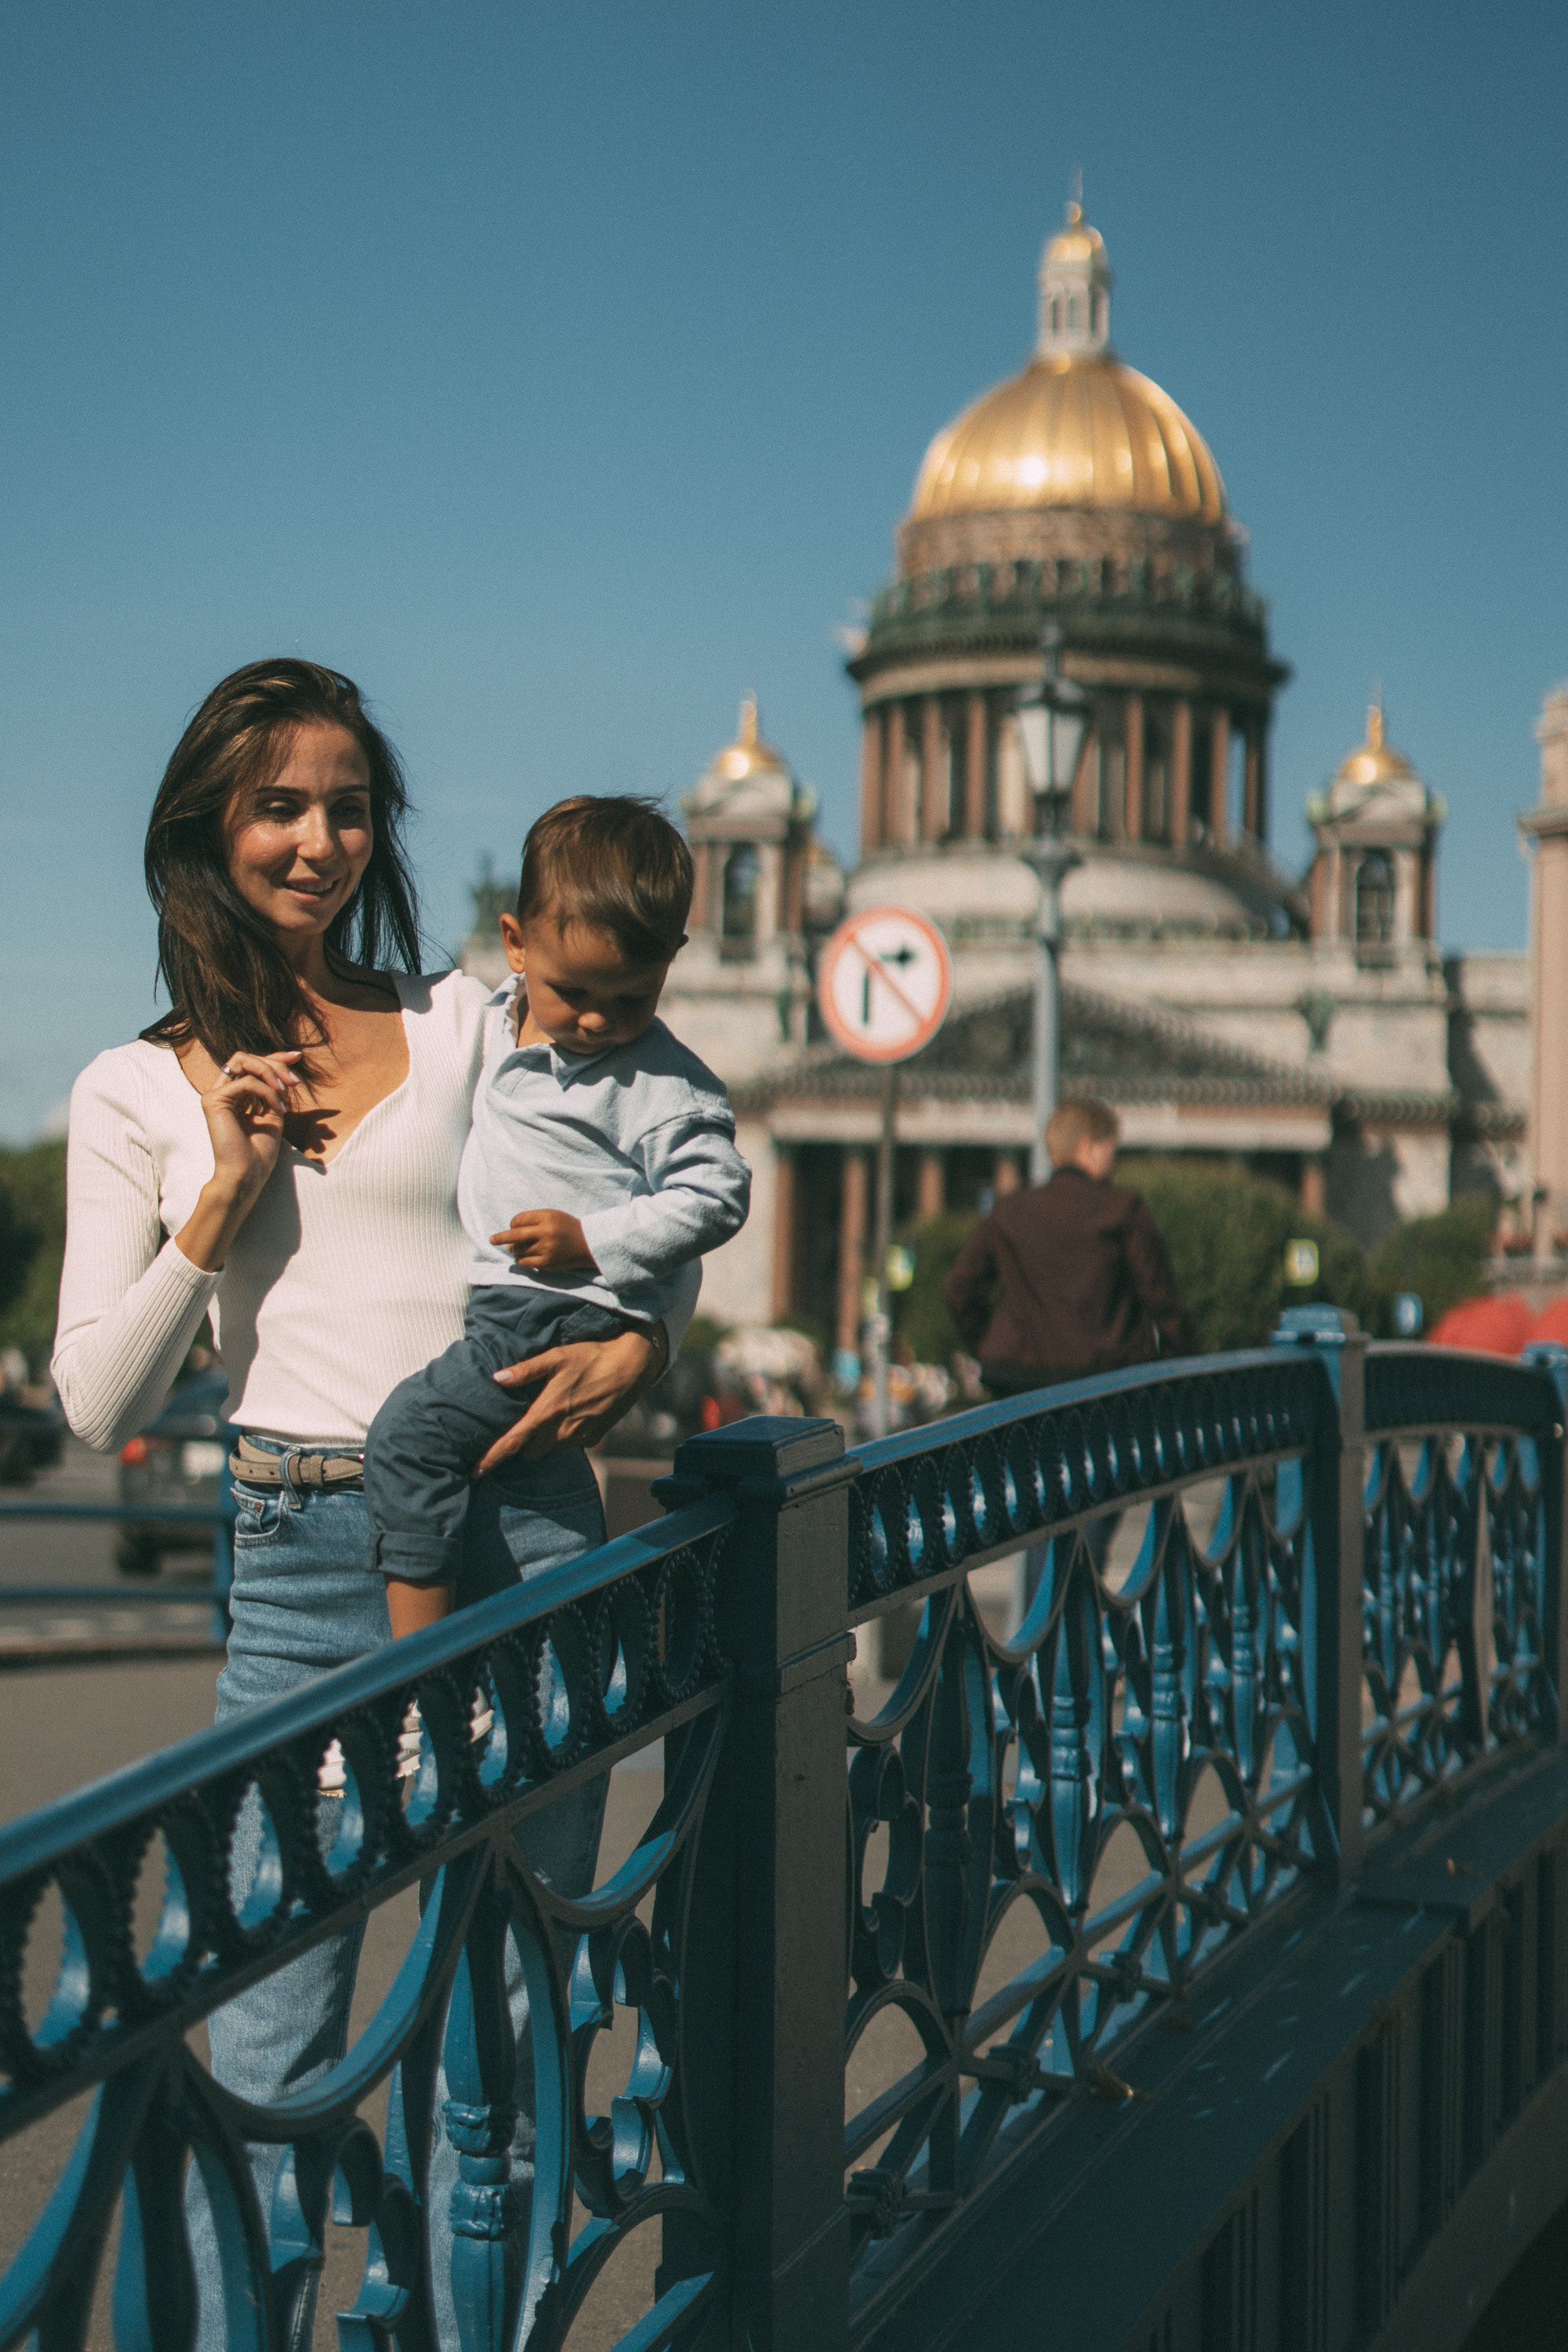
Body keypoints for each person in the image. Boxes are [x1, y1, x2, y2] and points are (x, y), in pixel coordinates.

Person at [51, 659, 692, 2344]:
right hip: (307, 1567)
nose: (318, 839)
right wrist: (227, 1191)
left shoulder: (471, 1019)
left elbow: (640, 1165)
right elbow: (95, 1397)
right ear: (208, 823)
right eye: (278, 804)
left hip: (530, 1533)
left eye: (347, 805)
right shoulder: (135, 1092)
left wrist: (646, 1343)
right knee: (267, 2046)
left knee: (505, 2029)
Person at [362, 795, 750, 1621]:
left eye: (632, 999)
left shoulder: (665, 1082)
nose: (596, 1021)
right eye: (569, 990)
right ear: (513, 946)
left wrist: (593, 1241)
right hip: (518, 1306)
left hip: (553, 1314)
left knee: (408, 1438)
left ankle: (408, 1679)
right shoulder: (497, 1023)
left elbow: (718, 1195)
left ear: (669, 967)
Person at [943, 1098, 1191, 1392]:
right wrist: (1183, 1362)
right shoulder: (1123, 1209)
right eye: (1112, 1148)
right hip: (1106, 1380)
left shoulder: (1007, 1211)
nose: (1114, 1160)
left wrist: (990, 1344)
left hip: (1018, 1380)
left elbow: (959, 1288)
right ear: (1088, 1147)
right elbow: (1159, 1297)